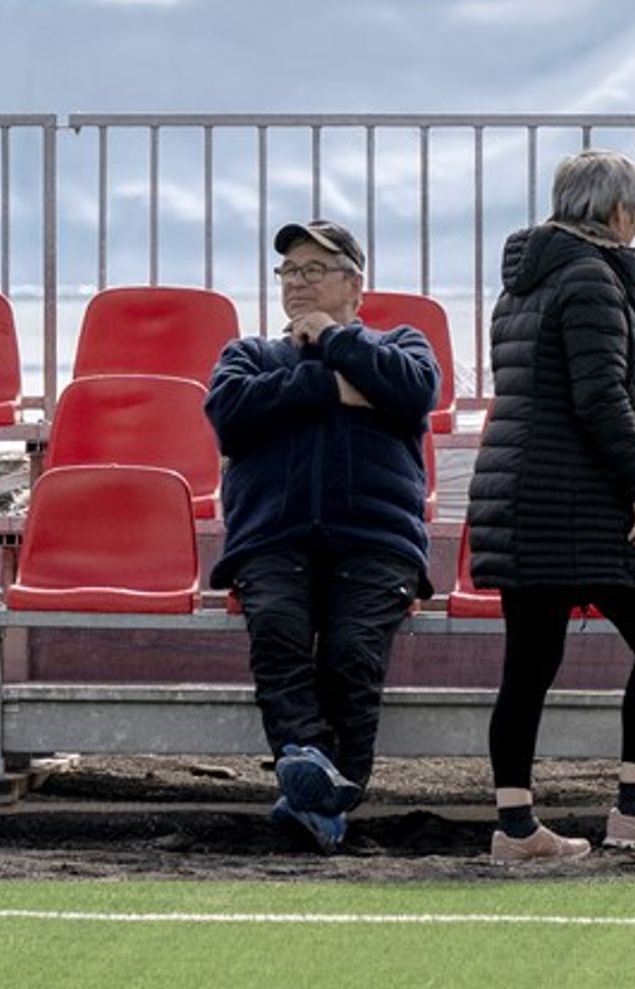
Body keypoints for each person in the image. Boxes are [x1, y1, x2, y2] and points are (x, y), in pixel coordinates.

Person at [466, 149, 635, 861]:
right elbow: (599, 397)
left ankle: (515, 828)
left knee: (529, 664)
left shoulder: (522, 285)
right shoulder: (592, 281)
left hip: (518, 493)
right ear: (619, 212)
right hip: (572, 498)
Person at [205, 219, 437, 852]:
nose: (297, 283)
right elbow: (231, 416)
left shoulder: (402, 344)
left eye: (314, 270)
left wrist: (336, 342)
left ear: (354, 284)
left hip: (376, 542)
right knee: (278, 634)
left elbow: (413, 394)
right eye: (288, 272)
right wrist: (328, 386)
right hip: (270, 542)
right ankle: (320, 785)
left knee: (351, 653)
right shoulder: (249, 355)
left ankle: (322, 792)